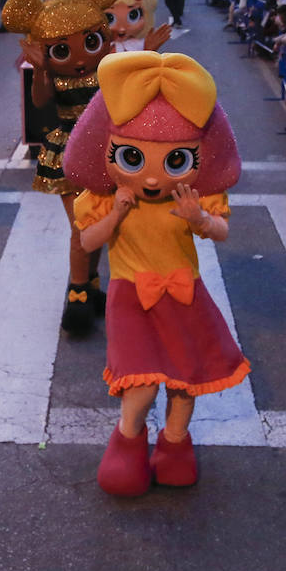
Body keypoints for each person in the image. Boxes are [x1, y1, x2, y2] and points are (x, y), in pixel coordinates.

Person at [63, 51, 248, 496]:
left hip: (184, 294)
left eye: (175, 160)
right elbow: (88, 244)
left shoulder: (189, 197)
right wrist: (116, 217)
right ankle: (128, 445)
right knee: (142, 384)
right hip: (132, 295)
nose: (150, 179)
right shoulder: (107, 197)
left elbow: (220, 231)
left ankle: (175, 446)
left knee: (186, 384)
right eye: (131, 157)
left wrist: (198, 219)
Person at [3, 0, 121, 336]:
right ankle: (77, 294)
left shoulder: (109, 66)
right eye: (62, 49)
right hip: (68, 150)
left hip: (105, 150)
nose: (80, 57)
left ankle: (93, 285)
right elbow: (40, 103)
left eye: (89, 42)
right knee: (82, 226)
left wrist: (144, 57)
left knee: (100, 221)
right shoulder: (52, 73)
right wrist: (39, 71)